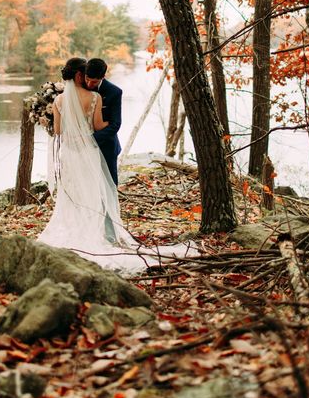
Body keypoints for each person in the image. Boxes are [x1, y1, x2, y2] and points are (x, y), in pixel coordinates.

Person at [37, 57, 197, 274]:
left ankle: (100, 232)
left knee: (87, 190)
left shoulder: (59, 101)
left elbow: (58, 131)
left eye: (94, 79)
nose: (90, 82)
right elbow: (99, 125)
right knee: (94, 192)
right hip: (88, 153)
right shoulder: (93, 98)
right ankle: (94, 234)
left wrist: (75, 130)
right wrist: (86, 134)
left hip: (73, 154)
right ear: (80, 76)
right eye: (86, 77)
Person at [84, 58, 122, 185]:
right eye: (87, 79)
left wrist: (91, 139)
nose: (89, 85)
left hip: (106, 146)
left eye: (94, 82)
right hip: (82, 148)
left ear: (103, 77)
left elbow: (115, 124)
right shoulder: (78, 87)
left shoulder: (114, 92)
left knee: (109, 184)